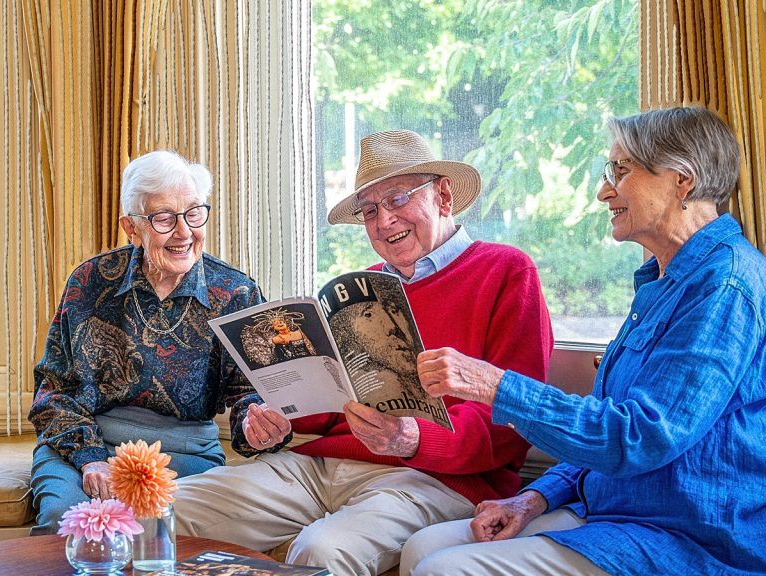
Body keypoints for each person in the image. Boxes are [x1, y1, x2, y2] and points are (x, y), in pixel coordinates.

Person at [401, 106, 766, 576]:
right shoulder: (661, 281)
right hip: (614, 511)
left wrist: (495, 385)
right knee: (421, 548)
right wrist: (533, 498)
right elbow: (603, 434)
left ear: (683, 180)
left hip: (686, 538)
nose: (603, 191)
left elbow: (639, 437)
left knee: (443, 570)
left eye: (621, 170)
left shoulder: (724, 286)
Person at [173, 130, 554, 576]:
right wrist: (269, 415)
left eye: (397, 200)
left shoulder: (505, 270)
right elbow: (328, 404)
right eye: (370, 211)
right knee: (166, 508)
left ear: (444, 196)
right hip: (323, 463)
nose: (384, 221)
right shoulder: (358, 288)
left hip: (439, 478)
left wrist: (415, 439)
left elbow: (516, 420)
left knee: (323, 550)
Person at [29, 150, 267, 535]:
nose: (184, 232)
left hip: (185, 451)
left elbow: (249, 394)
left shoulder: (234, 292)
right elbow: (53, 391)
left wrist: (258, 424)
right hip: (87, 441)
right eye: (163, 218)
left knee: (157, 527)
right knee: (69, 524)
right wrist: (91, 458)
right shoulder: (90, 281)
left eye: (193, 213)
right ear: (131, 227)